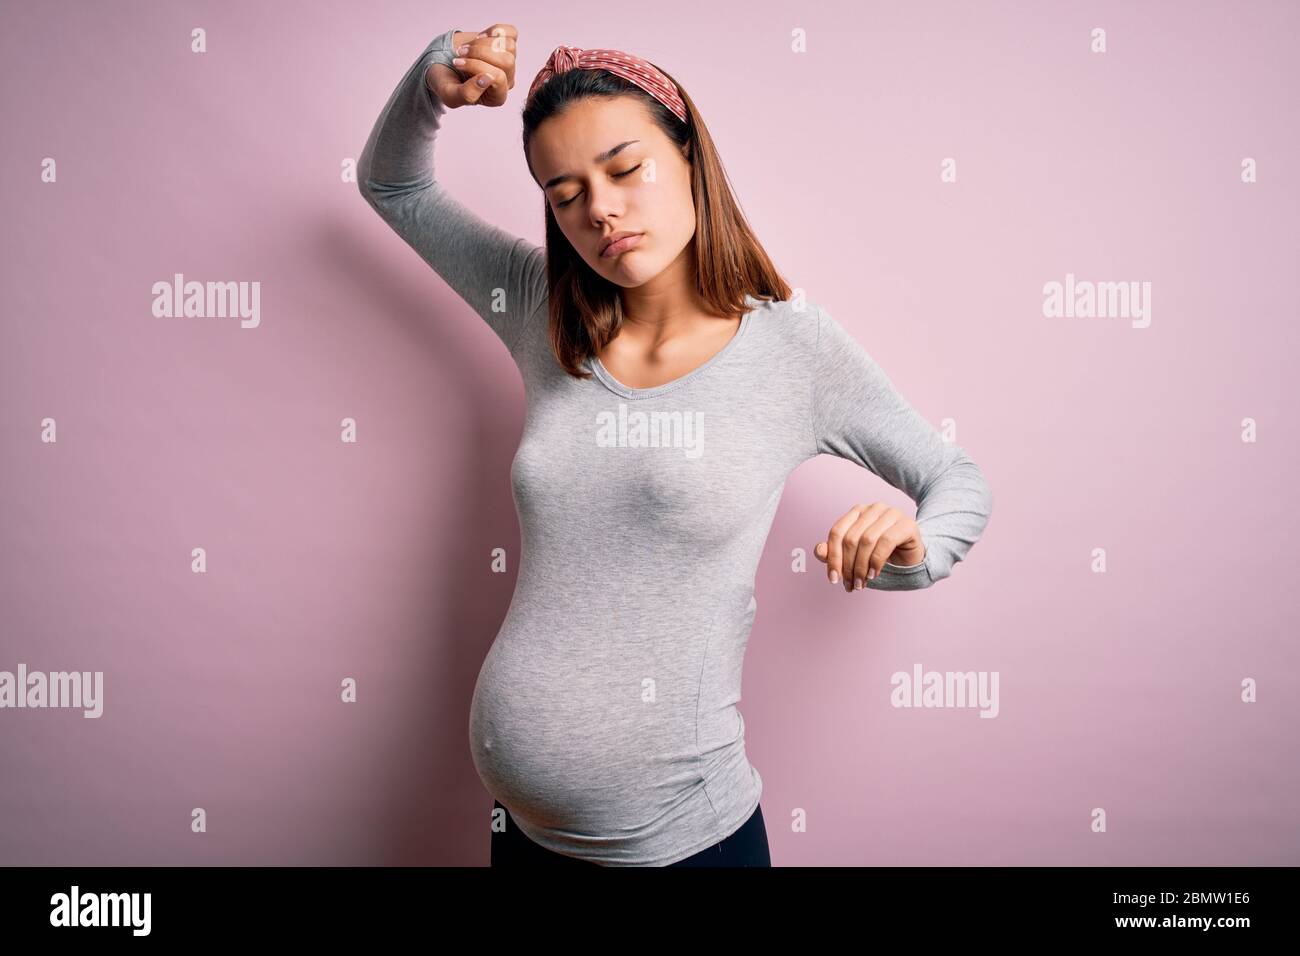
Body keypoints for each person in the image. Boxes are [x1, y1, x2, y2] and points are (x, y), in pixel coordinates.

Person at [358, 23, 993, 867]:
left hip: (682, 846)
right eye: (564, 192)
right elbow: (393, 186)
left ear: (691, 156)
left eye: (626, 169)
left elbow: (955, 476)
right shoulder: (543, 308)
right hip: (521, 838)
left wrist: (913, 549)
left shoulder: (790, 349)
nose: (601, 210)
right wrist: (434, 72)